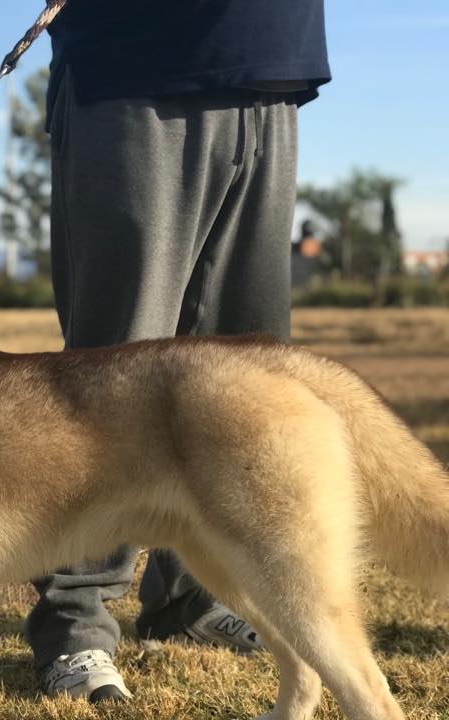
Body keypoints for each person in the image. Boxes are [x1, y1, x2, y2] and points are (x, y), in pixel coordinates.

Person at [24, 0, 331, 703]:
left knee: (242, 381)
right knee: (113, 375)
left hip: (269, 69)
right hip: (136, 68)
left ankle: (190, 599)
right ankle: (74, 625)